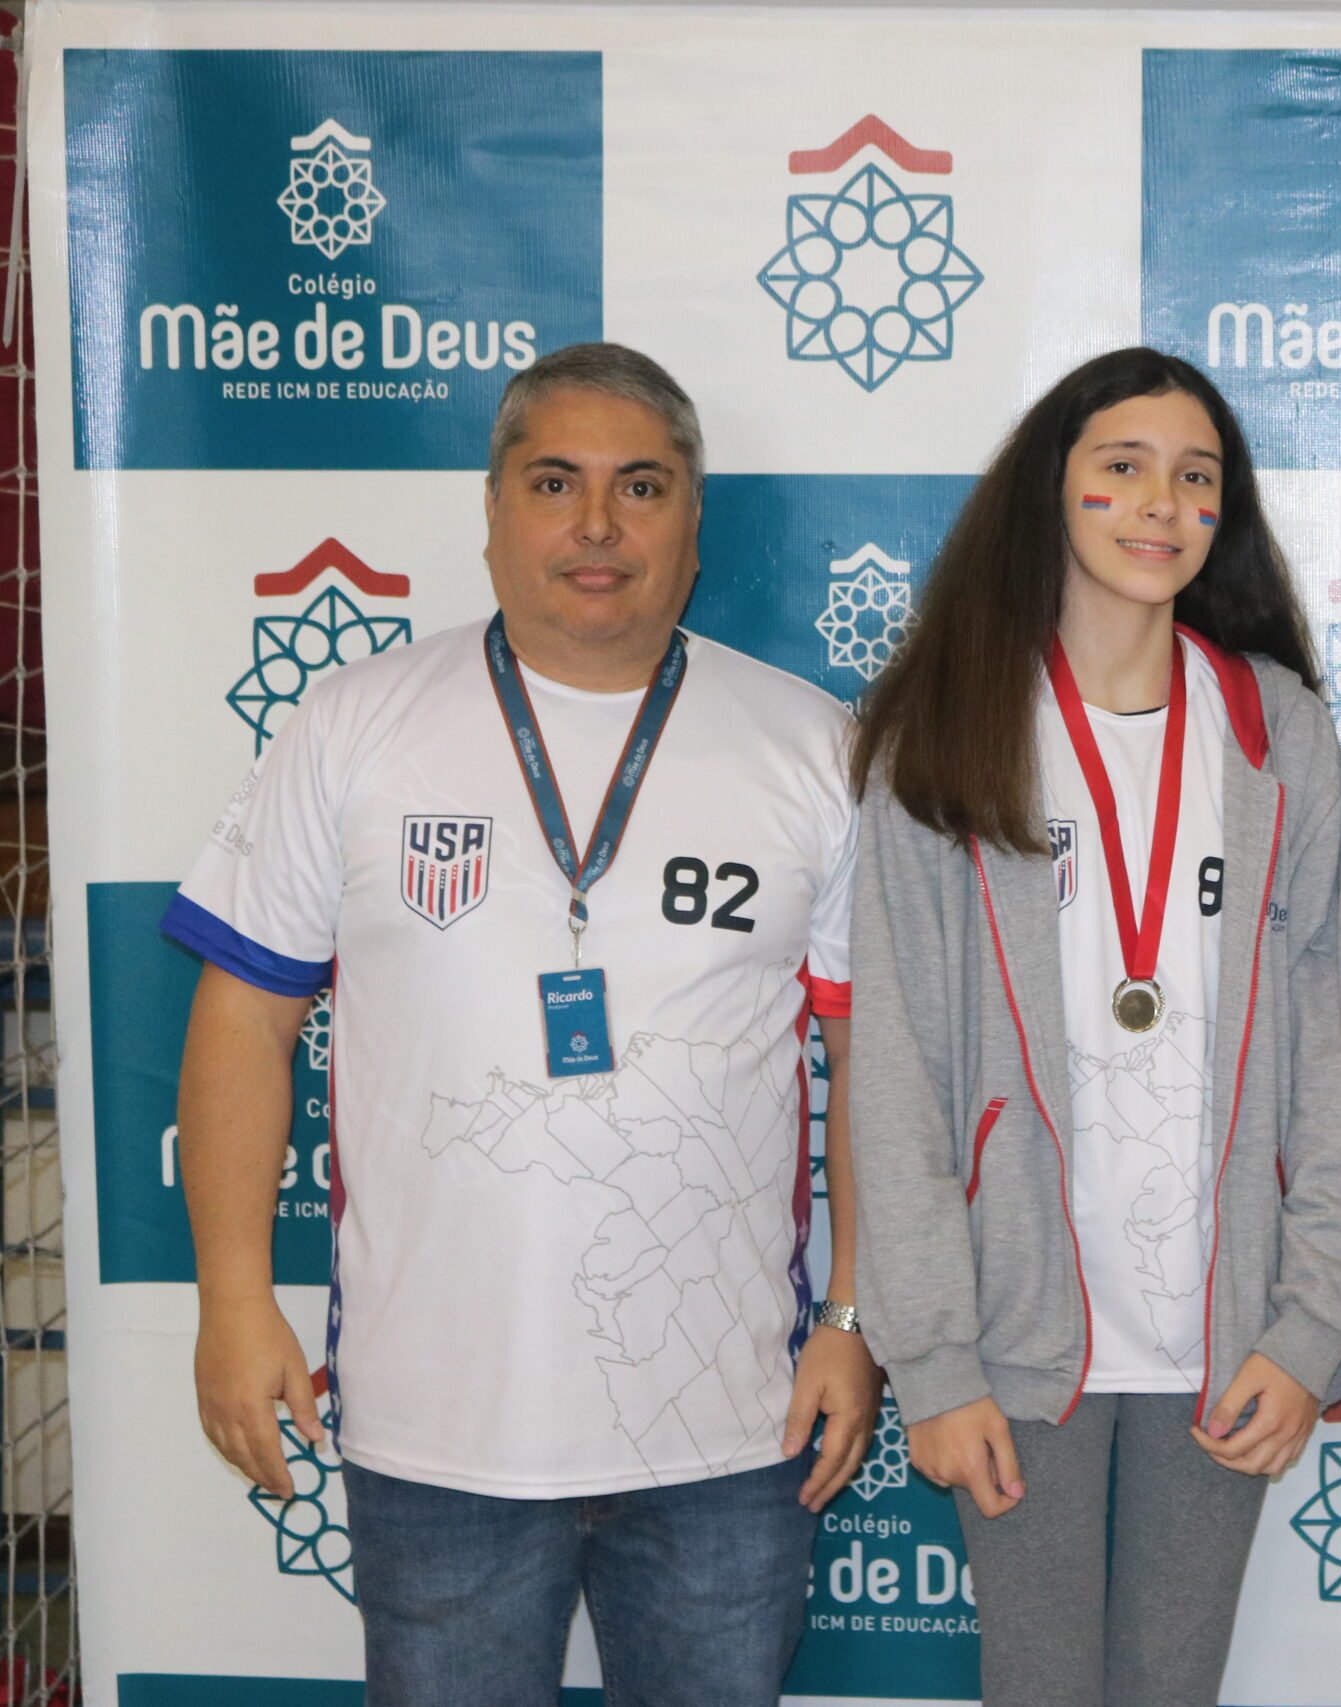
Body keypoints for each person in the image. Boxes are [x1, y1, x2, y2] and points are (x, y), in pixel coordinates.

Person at [167, 342, 877, 1707]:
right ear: (490, 509)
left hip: (729, 1429)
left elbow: (870, 1066)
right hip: (438, 1431)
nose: (597, 525)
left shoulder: (811, 746)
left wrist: (852, 1314)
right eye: (555, 483)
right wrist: (234, 1300)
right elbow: (244, 1020)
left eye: (641, 487)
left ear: (694, 520)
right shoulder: (355, 725)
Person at [845, 346, 1341, 1707]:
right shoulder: (947, 730)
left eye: (1197, 478)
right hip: (1018, 1336)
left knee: (1169, 1688)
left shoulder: (1277, 732)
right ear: (1052, 491)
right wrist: (935, 1361)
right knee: (1039, 1686)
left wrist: (1311, 1322)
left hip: (1228, 1336)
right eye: (1124, 468)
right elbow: (896, 1072)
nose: (1162, 504)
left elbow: (1329, 1054)